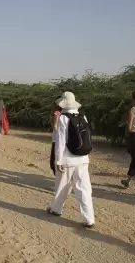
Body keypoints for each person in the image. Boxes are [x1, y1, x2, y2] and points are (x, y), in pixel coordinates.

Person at [47, 91, 95, 229]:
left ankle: (56, 209)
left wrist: (58, 160)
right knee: (84, 189)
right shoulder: (83, 116)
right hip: (83, 158)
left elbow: (60, 141)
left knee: (62, 187)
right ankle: (89, 219)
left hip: (67, 160)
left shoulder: (63, 118)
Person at [49, 96, 62, 175]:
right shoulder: (68, 114)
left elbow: (54, 126)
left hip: (56, 139)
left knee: (54, 160)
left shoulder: (56, 113)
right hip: (67, 140)